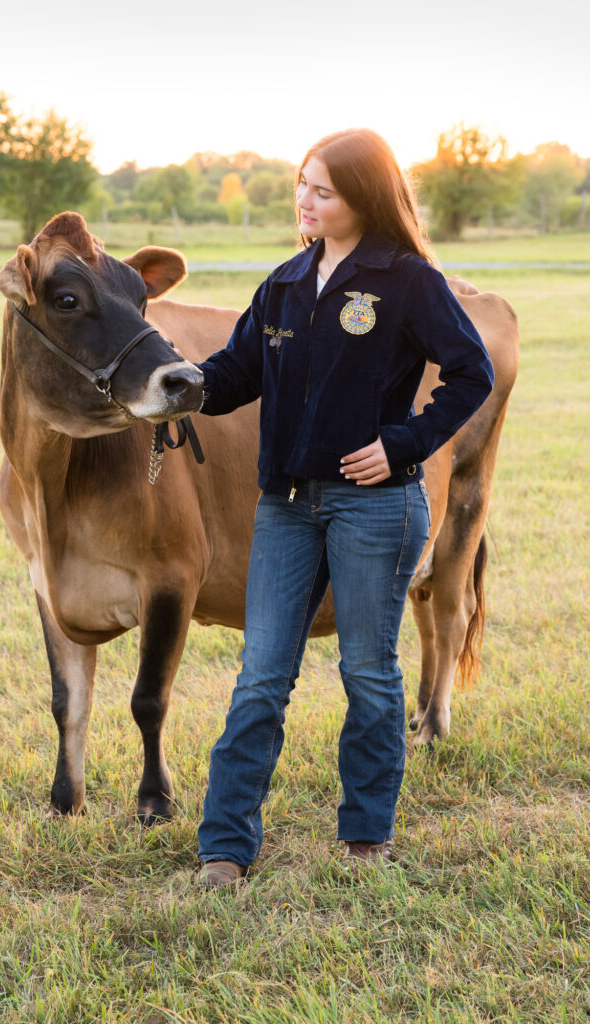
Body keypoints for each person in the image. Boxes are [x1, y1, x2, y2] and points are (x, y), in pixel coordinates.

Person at [194, 128, 494, 889]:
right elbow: (233, 374)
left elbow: (470, 373)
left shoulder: (407, 282)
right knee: (261, 675)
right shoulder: (285, 284)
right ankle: (225, 847)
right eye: (302, 184)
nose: (306, 199)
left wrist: (404, 445)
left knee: (366, 671)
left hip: (376, 508)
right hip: (286, 507)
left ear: (361, 197)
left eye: (323, 190)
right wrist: (177, 384)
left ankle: (365, 835)